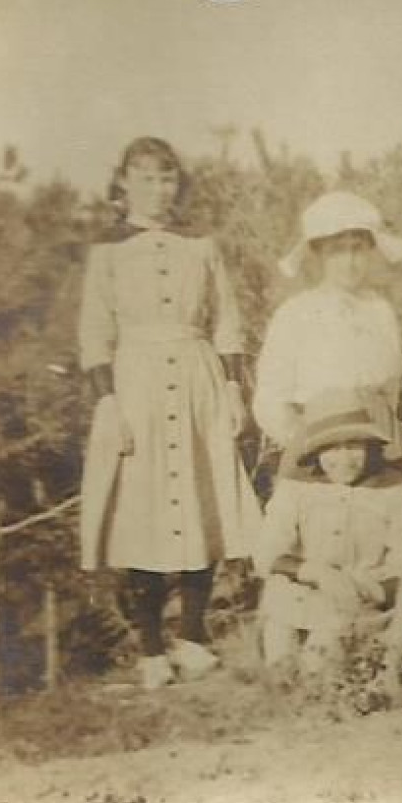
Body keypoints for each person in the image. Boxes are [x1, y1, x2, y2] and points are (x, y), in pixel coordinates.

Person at [77, 136, 262, 689]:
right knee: (145, 506)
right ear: (123, 184)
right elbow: (94, 332)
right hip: (136, 383)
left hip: (198, 375)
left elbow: (228, 317)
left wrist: (233, 389)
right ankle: (152, 647)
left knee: (205, 498)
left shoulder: (200, 244)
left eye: (167, 180)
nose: (158, 191)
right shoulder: (107, 250)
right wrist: (109, 401)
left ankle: (195, 635)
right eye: (145, 179)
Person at [254, 392, 402, 696]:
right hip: (297, 595)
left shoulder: (394, 487)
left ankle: (347, 672)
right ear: (316, 451)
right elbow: (266, 552)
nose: (344, 459)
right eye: (332, 449)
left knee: (319, 670)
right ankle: (284, 668)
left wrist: (371, 589)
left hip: (359, 599)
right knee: (282, 672)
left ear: (370, 447)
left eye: (354, 446)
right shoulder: (296, 488)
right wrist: (317, 572)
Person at [253, 190, 402, 456]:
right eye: (337, 251)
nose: (349, 262)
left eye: (358, 250)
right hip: (318, 442)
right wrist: (304, 441)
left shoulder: (380, 311)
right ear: (317, 254)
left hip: (377, 441)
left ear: (370, 251)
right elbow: (269, 399)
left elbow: (391, 388)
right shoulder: (296, 313)